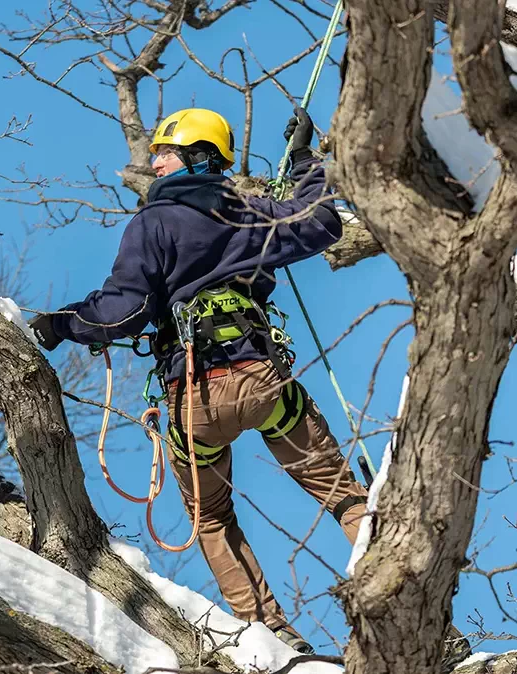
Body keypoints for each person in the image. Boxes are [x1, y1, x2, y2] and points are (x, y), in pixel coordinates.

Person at [28, 107, 368, 654]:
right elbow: (320, 222)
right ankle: (394, 585)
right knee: (343, 494)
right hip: (261, 382)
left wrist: (61, 324)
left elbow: (120, 313)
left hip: (195, 401)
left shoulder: (152, 222)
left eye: (165, 153)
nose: (154, 162)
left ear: (195, 156)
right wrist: (306, 160)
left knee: (210, 518)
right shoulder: (246, 212)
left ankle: (271, 635)